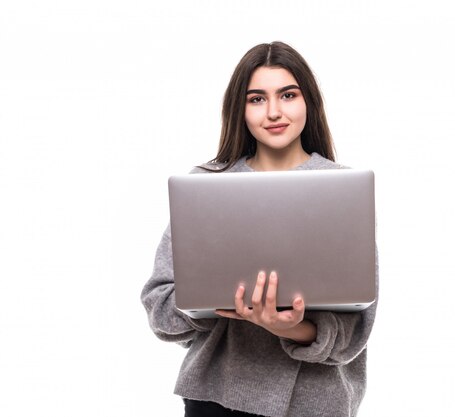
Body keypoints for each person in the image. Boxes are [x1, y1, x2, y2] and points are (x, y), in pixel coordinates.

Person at [141, 41, 378, 417]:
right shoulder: (206, 186)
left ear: (308, 102)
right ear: (240, 109)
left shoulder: (341, 188)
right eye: (256, 99)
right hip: (216, 400)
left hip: (315, 404)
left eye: (287, 95)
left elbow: (356, 328)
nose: (273, 112)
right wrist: (207, 302)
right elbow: (160, 305)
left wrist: (291, 328)